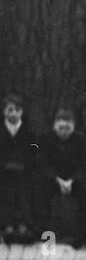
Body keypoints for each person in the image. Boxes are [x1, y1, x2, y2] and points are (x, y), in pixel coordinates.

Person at [43, 109, 86, 249]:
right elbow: (42, 165)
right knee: (40, 191)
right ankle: (45, 235)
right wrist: (57, 180)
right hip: (53, 180)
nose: (63, 132)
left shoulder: (81, 140)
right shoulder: (46, 139)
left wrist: (72, 181)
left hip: (75, 181)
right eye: (60, 128)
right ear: (55, 126)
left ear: (73, 127)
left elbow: (85, 164)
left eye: (67, 128)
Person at [1, 94, 40, 244]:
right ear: (4, 111)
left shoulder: (28, 131)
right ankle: (8, 227)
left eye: (17, 110)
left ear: (21, 112)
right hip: (3, 173)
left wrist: (23, 166)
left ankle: (24, 227)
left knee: (24, 193)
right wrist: (5, 166)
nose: (13, 113)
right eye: (10, 109)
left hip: (24, 173)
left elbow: (33, 155)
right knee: (6, 192)